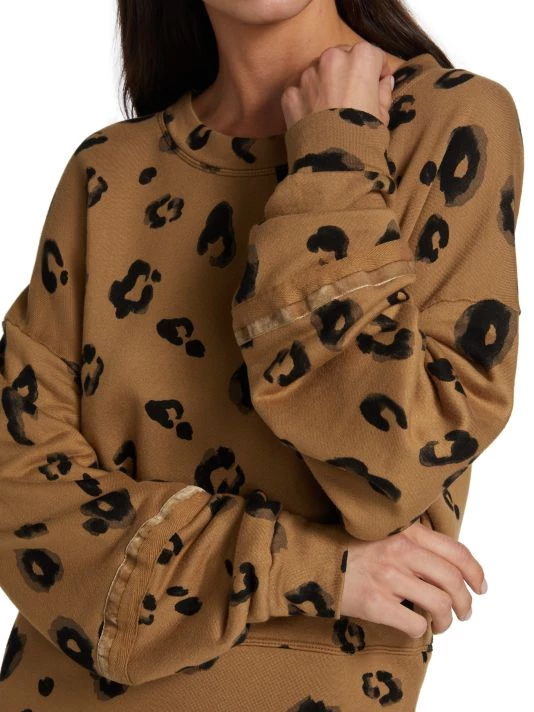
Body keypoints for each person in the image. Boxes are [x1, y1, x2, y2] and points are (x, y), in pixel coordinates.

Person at [0, 0, 523, 709]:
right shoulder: (108, 171)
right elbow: (17, 485)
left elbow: (398, 461)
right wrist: (302, 568)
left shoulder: (446, 121)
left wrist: (335, 154)